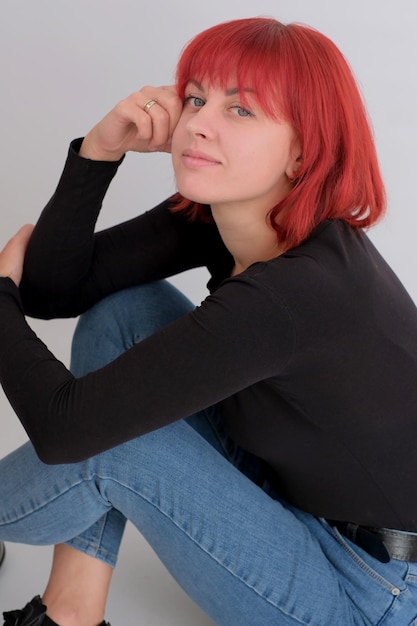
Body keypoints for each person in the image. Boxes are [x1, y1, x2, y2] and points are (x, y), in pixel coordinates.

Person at [0, 15, 416, 626]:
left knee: (114, 444)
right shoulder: (236, 215)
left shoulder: (293, 294)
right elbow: (53, 288)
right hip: (291, 495)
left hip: (370, 589)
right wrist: (100, 150)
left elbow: (67, 432)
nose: (197, 122)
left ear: (303, 151)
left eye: (240, 110)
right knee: (123, 314)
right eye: (197, 97)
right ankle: (71, 610)